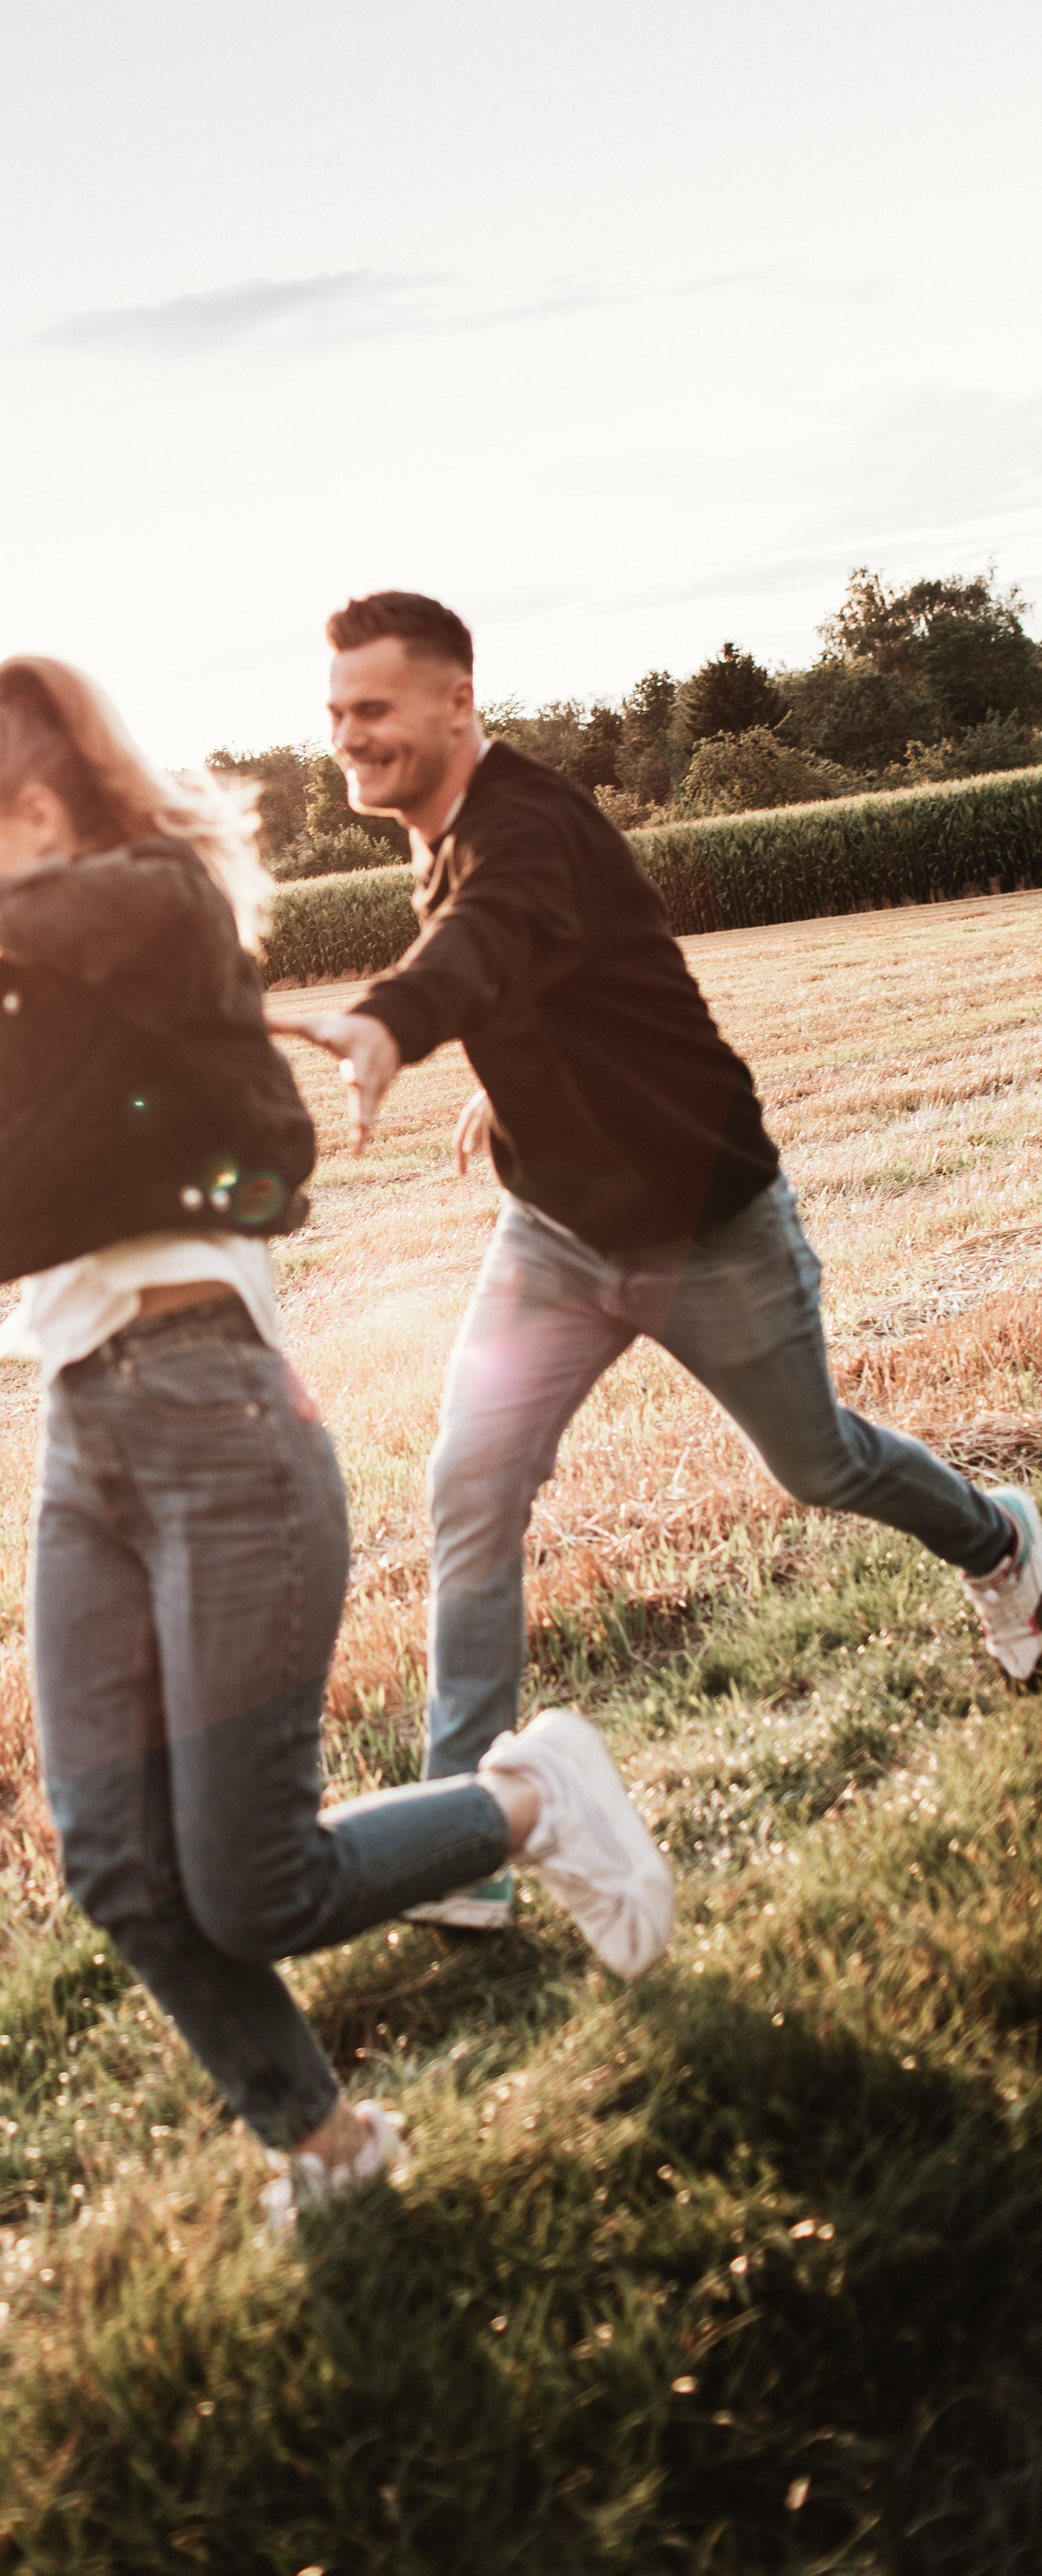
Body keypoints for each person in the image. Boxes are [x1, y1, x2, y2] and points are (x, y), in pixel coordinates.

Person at [0, 652, 673, 2213]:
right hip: (81, 1436)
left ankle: (531, 1798)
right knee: (110, 1861)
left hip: (216, 1423)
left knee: (255, 1886)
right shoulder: (51, 975)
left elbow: (137, 915)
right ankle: (327, 2147)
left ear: (34, 818)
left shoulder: (159, 912)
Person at [270, 589, 1042, 1935]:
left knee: (819, 1465)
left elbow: (487, 945)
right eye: (337, 713)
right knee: (472, 1489)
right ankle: (469, 1830)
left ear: (459, 703)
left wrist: (394, 1022)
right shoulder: (450, 834)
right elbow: (547, 981)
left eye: (375, 709)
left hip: (707, 1230)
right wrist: (506, 1091)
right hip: (559, 1237)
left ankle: (1005, 1542)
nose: (351, 737)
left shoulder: (522, 829)